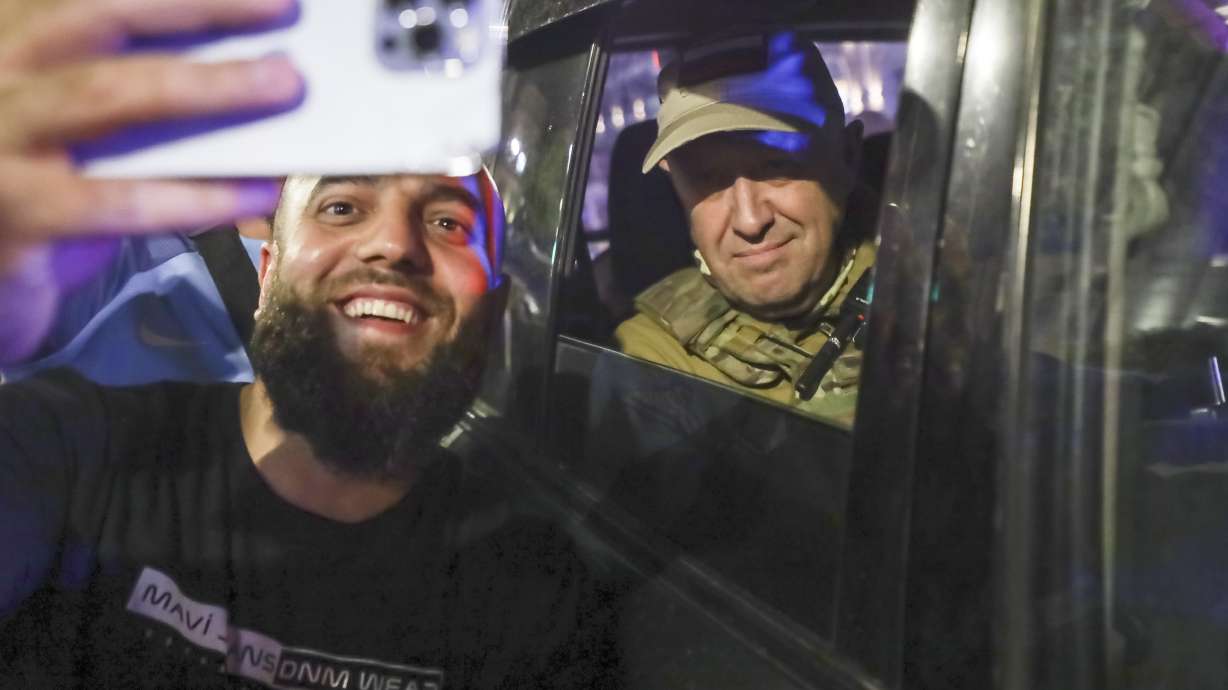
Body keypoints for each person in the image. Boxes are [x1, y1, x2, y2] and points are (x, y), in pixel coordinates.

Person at [0, 1, 613, 687]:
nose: (393, 244)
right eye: (343, 206)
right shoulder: (76, 453)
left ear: (493, 312)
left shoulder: (529, 590)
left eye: (446, 222)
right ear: (267, 273)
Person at [614, 32, 877, 429]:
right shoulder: (651, 358)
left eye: (776, 165)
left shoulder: (937, 300)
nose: (750, 221)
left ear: (847, 156)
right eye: (707, 180)